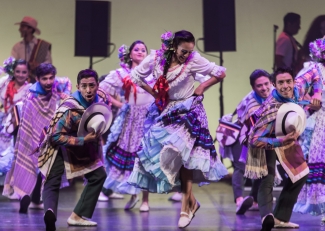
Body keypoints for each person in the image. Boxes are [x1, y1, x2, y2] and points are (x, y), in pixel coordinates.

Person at [127, 30, 228, 228]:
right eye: (183, 51)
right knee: (165, 157)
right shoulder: (157, 58)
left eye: (189, 51)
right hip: (167, 110)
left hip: (189, 109)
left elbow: (220, 72)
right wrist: (154, 94)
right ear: (174, 46)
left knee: (183, 157)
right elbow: (136, 75)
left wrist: (203, 86)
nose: (186, 55)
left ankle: (185, 208)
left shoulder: (194, 60)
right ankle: (192, 202)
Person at [247, 67, 321, 231]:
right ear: (274, 84)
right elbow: (254, 140)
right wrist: (279, 141)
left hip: (287, 137)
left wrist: (317, 93)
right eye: (281, 82)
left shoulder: (297, 88)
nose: (285, 86)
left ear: (294, 81)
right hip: (267, 139)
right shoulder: (270, 108)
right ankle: (267, 216)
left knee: (301, 173)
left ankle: (280, 217)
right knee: (268, 176)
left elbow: (315, 72)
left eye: (288, 81)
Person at [38, 69, 111, 231]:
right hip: (59, 145)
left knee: (98, 175)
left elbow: (103, 116)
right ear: (78, 87)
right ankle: (49, 213)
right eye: (84, 86)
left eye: (91, 85)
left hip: (82, 144)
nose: (88, 90)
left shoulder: (101, 100)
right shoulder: (69, 109)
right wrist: (82, 140)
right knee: (52, 179)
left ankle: (77, 215)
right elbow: (55, 137)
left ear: (97, 86)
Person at [3, 63, 72, 213]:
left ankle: (35, 198)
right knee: (27, 162)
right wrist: (34, 139)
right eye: (44, 79)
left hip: (50, 131)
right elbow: (27, 122)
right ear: (37, 78)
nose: (48, 82)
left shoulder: (57, 85)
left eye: (51, 78)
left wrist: (65, 94)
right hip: (31, 134)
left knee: (44, 166)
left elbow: (67, 82)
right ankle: (24, 195)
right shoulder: (32, 95)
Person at [99, 41, 155, 211]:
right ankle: (133, 194)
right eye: (136, 49)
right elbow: (102, 89)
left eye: (143, 50)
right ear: (130, 54)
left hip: (148, 119)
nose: (140, 52)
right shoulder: (123, 73)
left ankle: (145, 200)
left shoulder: (153, 73)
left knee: (146, 157)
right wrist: (119, 104)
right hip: (131, 119)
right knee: (132, 157)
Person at [221, 69, 273, 215]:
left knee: (259, 167)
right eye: (259, 86)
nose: (264, 88)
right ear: (253, 88)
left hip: (257, 134)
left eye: (266, 84)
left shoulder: (275, 94)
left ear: (271, 83)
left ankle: (254, 200)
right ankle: (239, 201)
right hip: (241, 133)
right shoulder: (252, 102)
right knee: (241, 166)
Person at [293, 37, 325, 217]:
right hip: (321, 120)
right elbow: (296, 91)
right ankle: (320, 202)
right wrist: (310, 103)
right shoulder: (314, 69)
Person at [0, 58, 31, 179]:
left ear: (28, 73)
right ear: (13, 71)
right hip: (3, 122)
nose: (20, 75)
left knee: (14, 159)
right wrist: (4, 70)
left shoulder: (30, 89)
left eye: (24, 72)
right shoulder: (5, 83)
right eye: (17, 71)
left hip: (19, 126)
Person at [11, 16, 52, 83]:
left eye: (22, 27)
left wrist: (39, 65)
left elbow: (49, 65)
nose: (20, 29)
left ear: (30, 29)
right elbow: (12, 64)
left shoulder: (42, 46)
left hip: (38, 82)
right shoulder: (17, 47)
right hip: (21, 83)